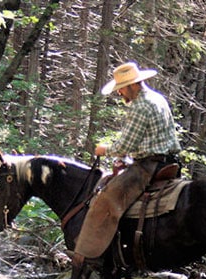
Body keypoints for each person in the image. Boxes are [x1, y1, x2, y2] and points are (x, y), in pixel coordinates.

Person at [72, 61, 182, 267]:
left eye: (120, 88)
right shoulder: (157, 98)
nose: (119, 93)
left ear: (132, 85)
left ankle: (88, 255)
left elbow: (125, 145)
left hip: (148, 167)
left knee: (104, 201)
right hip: (166, 161)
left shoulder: (140, 106)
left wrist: (104, 150)